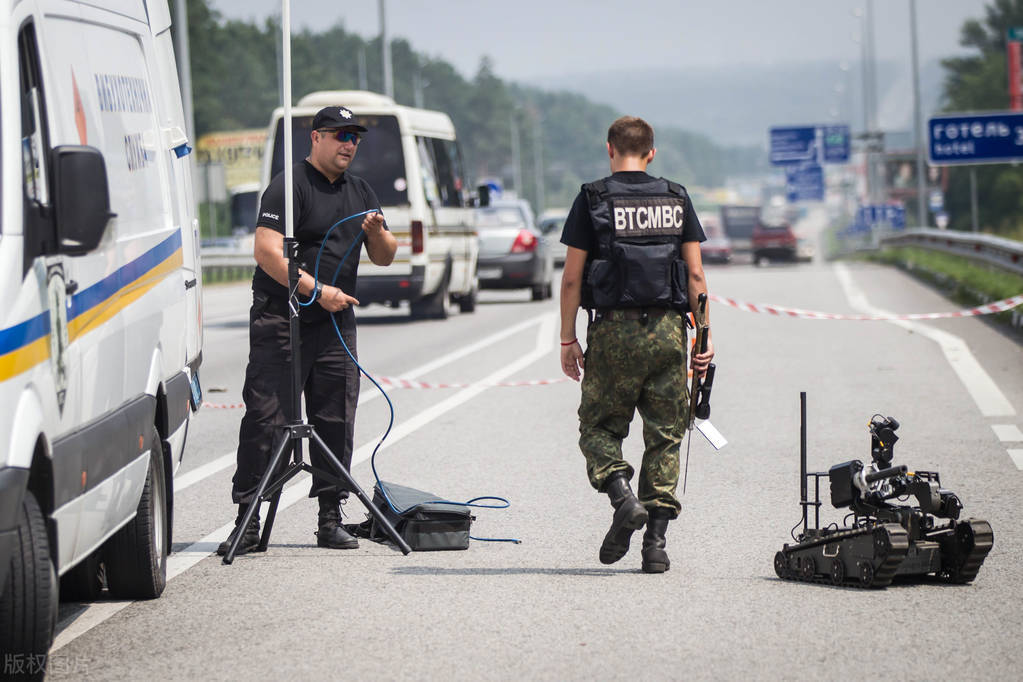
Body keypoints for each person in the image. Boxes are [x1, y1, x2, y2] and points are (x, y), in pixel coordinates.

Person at [218, 105, 397, 555]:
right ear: (316, 138)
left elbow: (386, 255)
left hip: (335, 321)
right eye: (339, 135)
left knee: (335, 417)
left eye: (354, 137)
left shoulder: (360, 190)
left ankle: (330, 516)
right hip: (284, 317)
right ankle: (249, 517)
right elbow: (266, 250)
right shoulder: (289, 184)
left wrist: (375, 231)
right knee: (267, 418)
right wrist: (316, 291)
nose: (348, 144)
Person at [558, 116, 714, 573]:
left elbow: (571, 278)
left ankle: (622, 497)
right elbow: (697, 277)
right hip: (669, 331)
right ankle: (656, 547)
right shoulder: (676, 197)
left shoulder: (593, 198)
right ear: (651, 153)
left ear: (610, 149)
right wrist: (703, 340)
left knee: (599, 428)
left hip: (612, 330)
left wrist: (568, 337)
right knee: (666, 436)